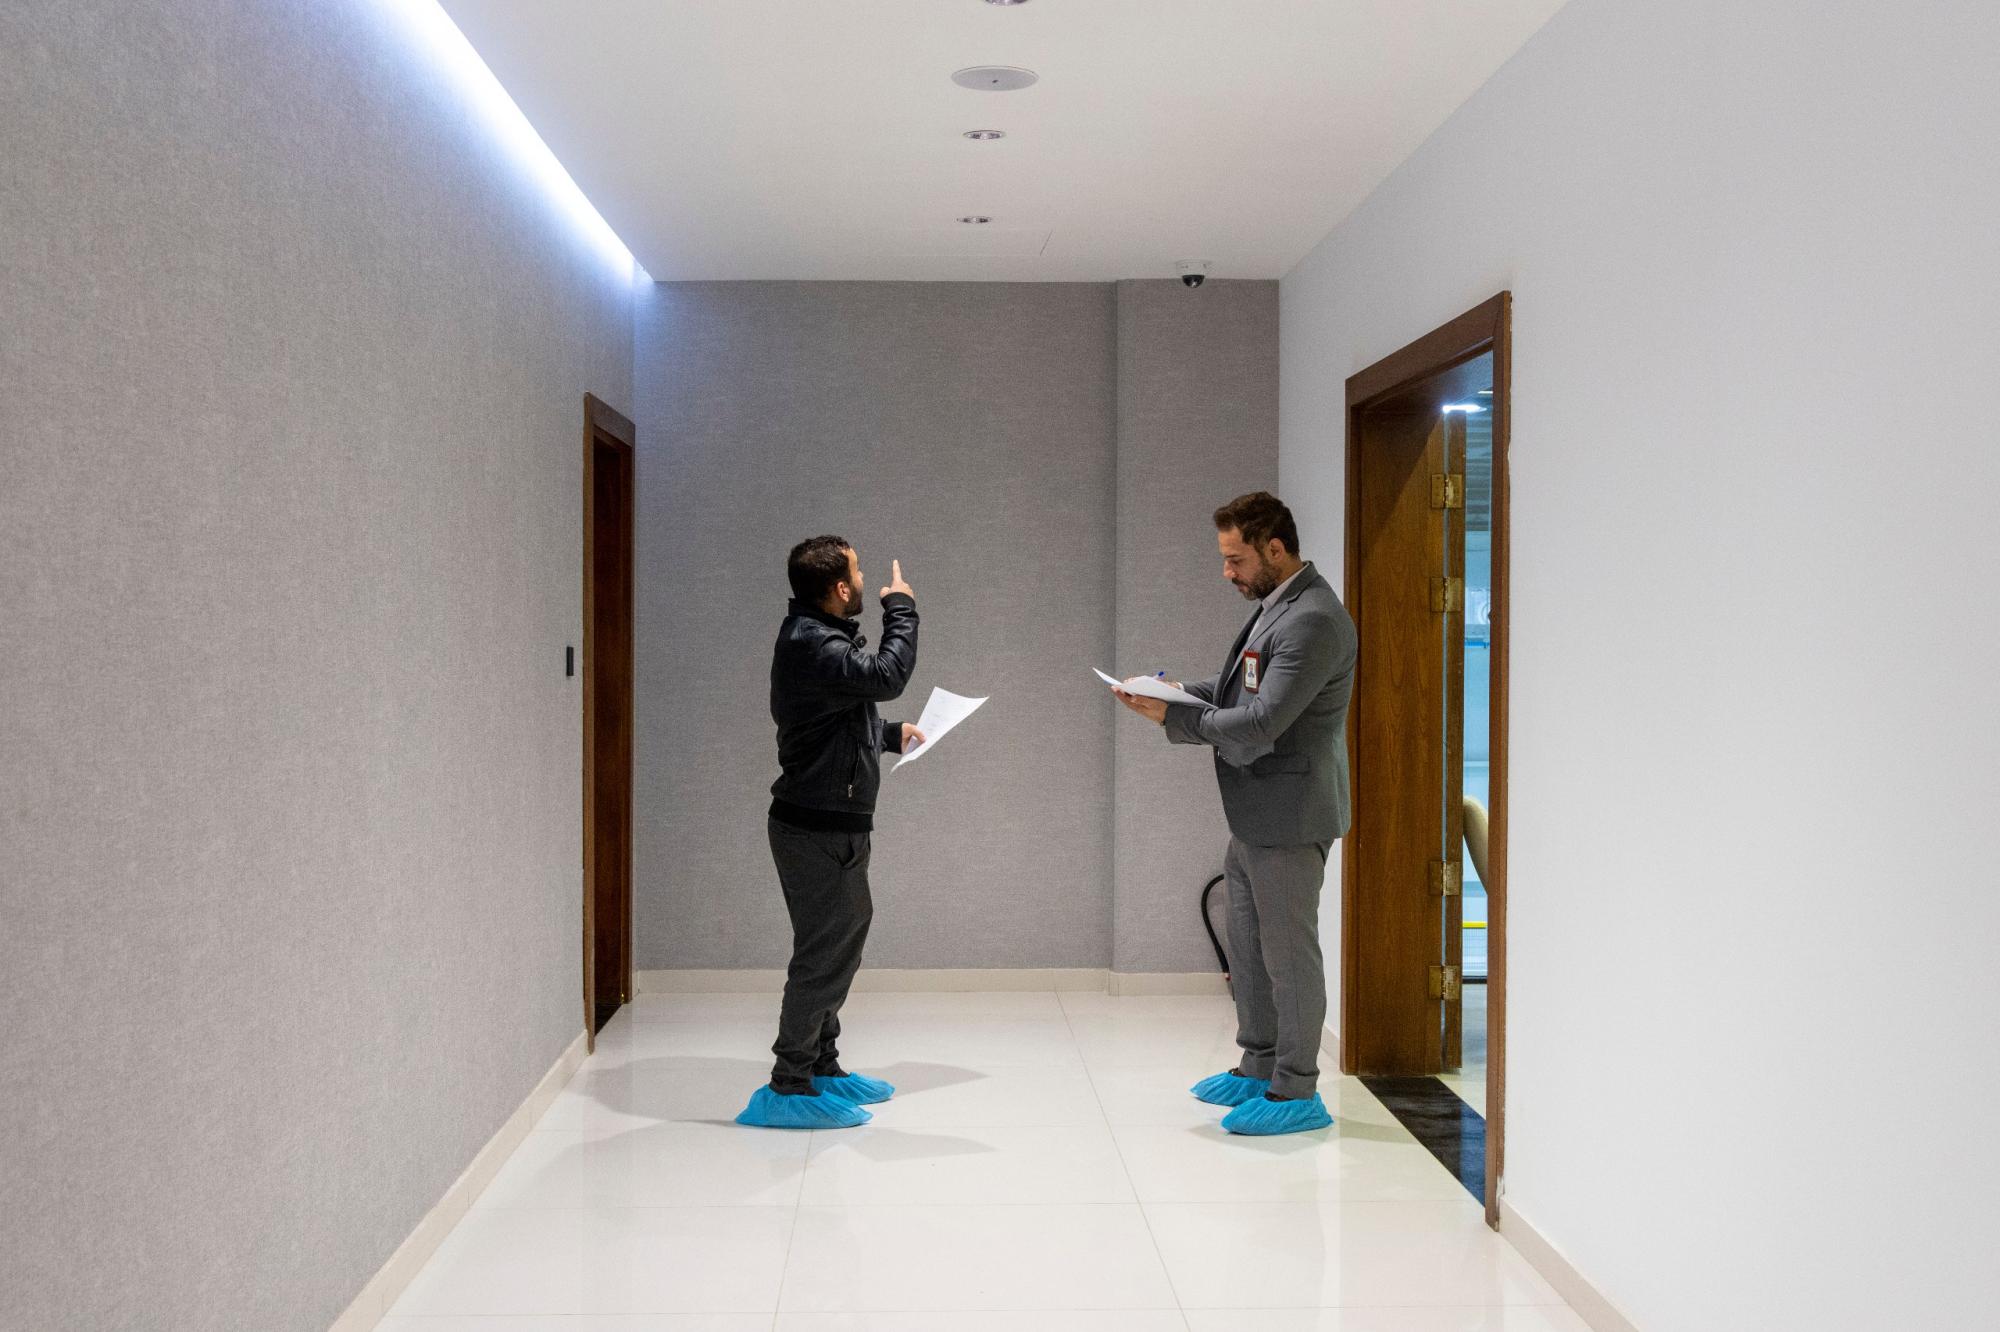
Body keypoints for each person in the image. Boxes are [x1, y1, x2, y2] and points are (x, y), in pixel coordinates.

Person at [1114, 491, 1356, 1135]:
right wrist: (1170, 692)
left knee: (1288, 956)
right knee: (1248, 948)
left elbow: (1262, 721)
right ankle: (1258, 1064)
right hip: (1254, 813)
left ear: (1275, 549)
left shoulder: (1314, 620)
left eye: (1236, 560)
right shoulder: (1278, 607)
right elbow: (1239, 691)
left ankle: (1295, 1090)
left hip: (1290, 815)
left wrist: (1175, 719)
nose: (1227, 573)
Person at [736, 536, 923, 1130]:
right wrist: (902, 609)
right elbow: (887, 676)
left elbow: (832, 716)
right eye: (859, 572)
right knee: (823, 955)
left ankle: (822, 1066)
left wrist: (887, 735)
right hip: (816, 829)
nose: (865, 579)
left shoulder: (818, 640)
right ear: (841, 588)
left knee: (837, 947)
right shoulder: (813, 643)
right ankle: (788, 1085)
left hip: (829, 825)